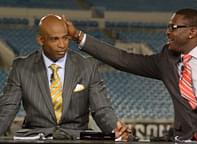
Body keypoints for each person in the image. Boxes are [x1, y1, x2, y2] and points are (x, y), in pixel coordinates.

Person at [64, 8, 197, 141]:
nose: (167, 32)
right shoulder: (167, 60)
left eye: (173, 27)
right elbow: (123, 59)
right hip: (184, 140)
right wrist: (79, 36)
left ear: (192, 32)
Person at [0, 14, 130, 140]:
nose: (62, 45)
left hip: (77, 138)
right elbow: (7, 109)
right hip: (37, 137)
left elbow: (101, 109)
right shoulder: (21, 68)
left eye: (65, 38)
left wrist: (115, 130)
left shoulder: (87, 66)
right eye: (55, 39)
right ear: (41, 40)